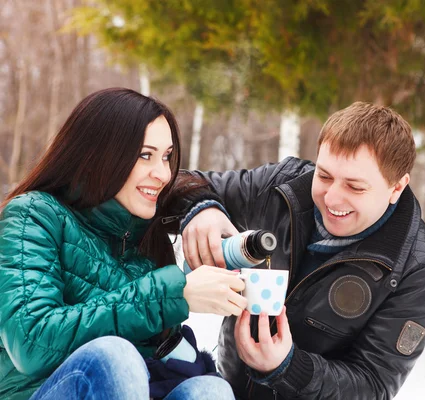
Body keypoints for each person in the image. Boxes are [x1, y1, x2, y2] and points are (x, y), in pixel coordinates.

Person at [180, 101, 425, 399]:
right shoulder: (284, 184)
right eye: (324, 176)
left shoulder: (421, 268)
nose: (331, 198)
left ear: (396, 188)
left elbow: (373, 384)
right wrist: (202, 206)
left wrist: (288, 367)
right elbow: (174, 184)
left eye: (355, 187)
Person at [0, 88, 247, 400]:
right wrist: (172, 294)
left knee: (210, 391)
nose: (162, 174)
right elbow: (31, 342)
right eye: (146, 155)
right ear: (100, 155)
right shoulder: (33, 214)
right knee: (113, 356)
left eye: (167, 157)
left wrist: (203, 207)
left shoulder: (145, 233)